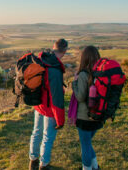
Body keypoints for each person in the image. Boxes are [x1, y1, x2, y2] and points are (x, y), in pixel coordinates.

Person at [29, 39, 68, 170]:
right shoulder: (55, 69)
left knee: (36, 132)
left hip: (38, 104)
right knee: (47, 136)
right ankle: (43, 165)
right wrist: (60, 120)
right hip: (49, 108)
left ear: (53, 47)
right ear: (65, 51)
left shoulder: (42, 60)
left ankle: (33, 160)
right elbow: (56, 98)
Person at [72, 46, 103, 170]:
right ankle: (95, 166)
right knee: (88, 143)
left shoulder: (83, 74)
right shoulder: (101, 73)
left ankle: (87, 168)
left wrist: (74, 82)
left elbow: (80, 97)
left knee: (85, 145)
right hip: (99, 116)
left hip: (84, 117)